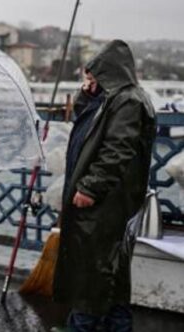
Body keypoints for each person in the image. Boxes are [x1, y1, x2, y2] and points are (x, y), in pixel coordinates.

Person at [53, 40, 157, 331]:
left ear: (110, 73)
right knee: (109, 277)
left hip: (105, 206)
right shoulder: (114, 98)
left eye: (93, 77)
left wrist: (90, 188)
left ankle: (83, 327)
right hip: (105, 205)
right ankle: (113, 326)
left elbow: (117, 149)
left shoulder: (129, 101)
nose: (89, 82)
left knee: (92, 278)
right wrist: (87, 97)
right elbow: (87, 125)